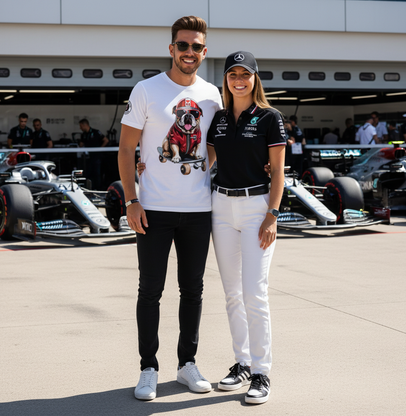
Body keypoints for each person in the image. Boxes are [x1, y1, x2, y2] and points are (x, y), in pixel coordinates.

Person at [118, 16, 222, 401]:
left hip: (198, 210)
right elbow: (127, 149)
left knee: (192, 290)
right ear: (171, 48)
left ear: (204, 51)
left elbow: (215, 143)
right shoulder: (147, 90)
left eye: (196, 47)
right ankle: (148, 368)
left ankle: (186, 364)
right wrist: (132, 200)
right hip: (154, 210)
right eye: (183, 45)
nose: (189, 52)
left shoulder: (213, 94)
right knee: (150, 290)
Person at [207, 51, 286, 404]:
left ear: (255, 78)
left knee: (255, 292)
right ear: (226, 79)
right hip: (221, 207)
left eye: (245, 74)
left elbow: (279, 171)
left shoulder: (270, 118)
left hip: (257, 209)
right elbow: (201, 160)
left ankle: (261, 371)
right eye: (232, 74)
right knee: (232, 294)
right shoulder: (219, 118)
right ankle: (241, 363)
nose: (239, 80)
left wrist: (272, 214)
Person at [79, 119, 109, 189]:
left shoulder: (96, 132)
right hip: (87, 157)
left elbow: (106, 140)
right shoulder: (83, 135)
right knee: (88, 173)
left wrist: (100, 149)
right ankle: (89, 188)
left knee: (97, 173)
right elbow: (81, 144)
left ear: (85, 125)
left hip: (96, 157)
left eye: (81, 126)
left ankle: (98, 189)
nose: (80, 128)